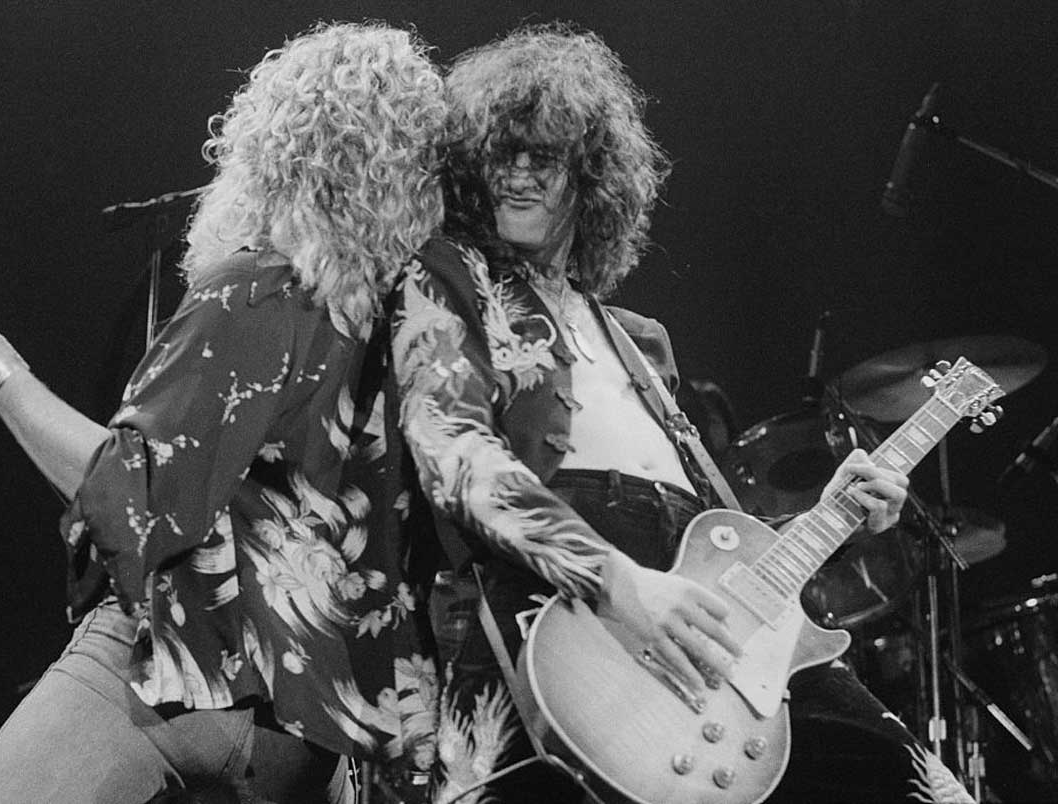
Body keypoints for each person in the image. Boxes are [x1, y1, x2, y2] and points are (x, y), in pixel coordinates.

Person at [389, 24, 974, 803]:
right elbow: (453, 452)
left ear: (592, 175)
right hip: (555, 607)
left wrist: (828, 518)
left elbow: (710, 530)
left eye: (546, 155)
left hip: (702, 623)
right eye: (503, 154)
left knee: (925, 787)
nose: (519, 176)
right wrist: (621, 584)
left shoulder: (639, 341)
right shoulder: (449, 278)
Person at [0, 22, 445, 804]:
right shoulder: (405, 345)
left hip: (170, 668)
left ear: (275, 145)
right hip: (303, 740)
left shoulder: (254, 291)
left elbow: (132, 502)